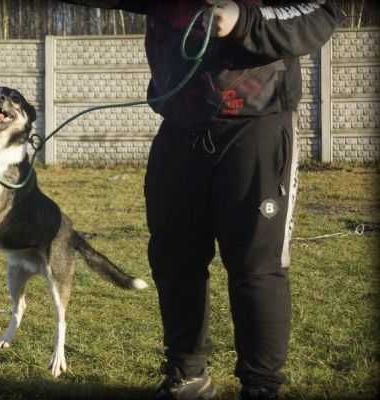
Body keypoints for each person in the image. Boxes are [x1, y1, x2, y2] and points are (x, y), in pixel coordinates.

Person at [62, 1, 338, 399]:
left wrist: (243, 19)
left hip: (255, 124)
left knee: (255, 265)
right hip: (180, 124)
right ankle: (188, 375)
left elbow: (320, 14)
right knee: (174, 258)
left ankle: (260, 385)